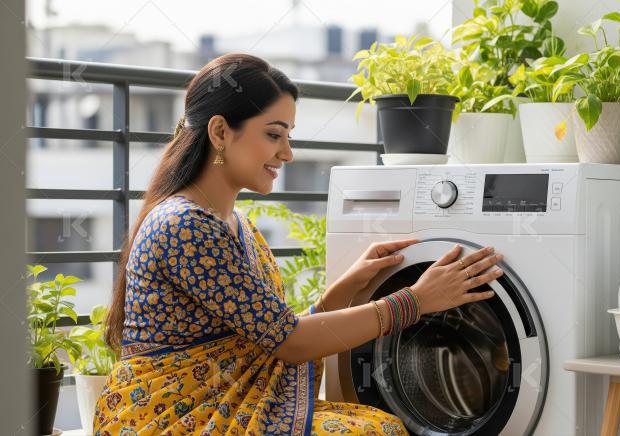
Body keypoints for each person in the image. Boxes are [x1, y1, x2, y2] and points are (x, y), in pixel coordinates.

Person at [94, 53, 503, 435]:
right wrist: (415, 301)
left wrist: (348, 286)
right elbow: (290, 343)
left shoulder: (234, 224)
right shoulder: (183, 226)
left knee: (379, 423)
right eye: (274, 135)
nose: (287, 153)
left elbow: (269, 332)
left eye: (288, 136)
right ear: (220, 132)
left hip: (226, 402)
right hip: (177, 415)